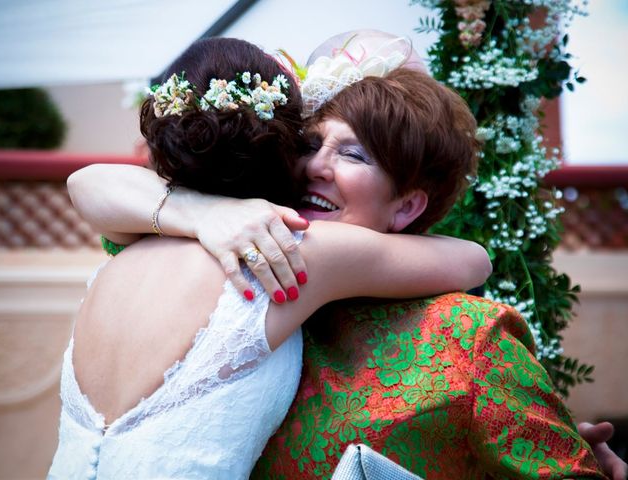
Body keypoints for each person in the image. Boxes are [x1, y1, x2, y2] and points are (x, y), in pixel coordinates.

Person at [64, 33, 617, 478]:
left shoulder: (464, 335)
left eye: (352, 153)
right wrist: (205, 214)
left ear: (406, 207)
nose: (314, 167)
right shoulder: (233, 250)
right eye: (307, 145)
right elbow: (95, 186)